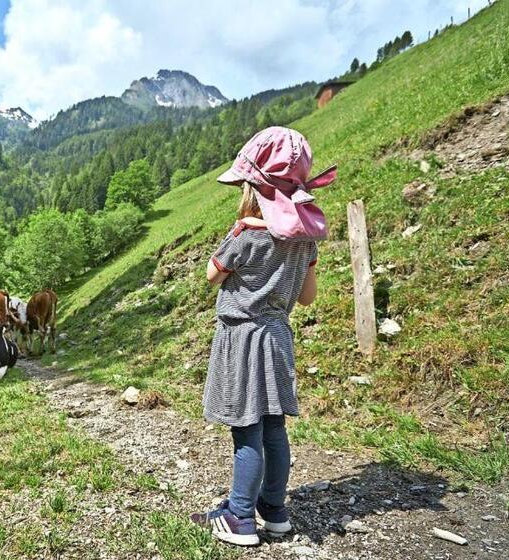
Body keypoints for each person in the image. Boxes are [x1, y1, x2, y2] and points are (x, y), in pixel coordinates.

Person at [190, 126, 337, 546]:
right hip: (277, 337)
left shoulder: (246, 234)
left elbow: (211, 275)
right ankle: (274, 511)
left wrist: (237, 237)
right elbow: (307, 298)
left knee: (246, 428)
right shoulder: (306, 241)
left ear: (254, 186)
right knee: (274, 429)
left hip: (242, 337)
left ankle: (239, 516)